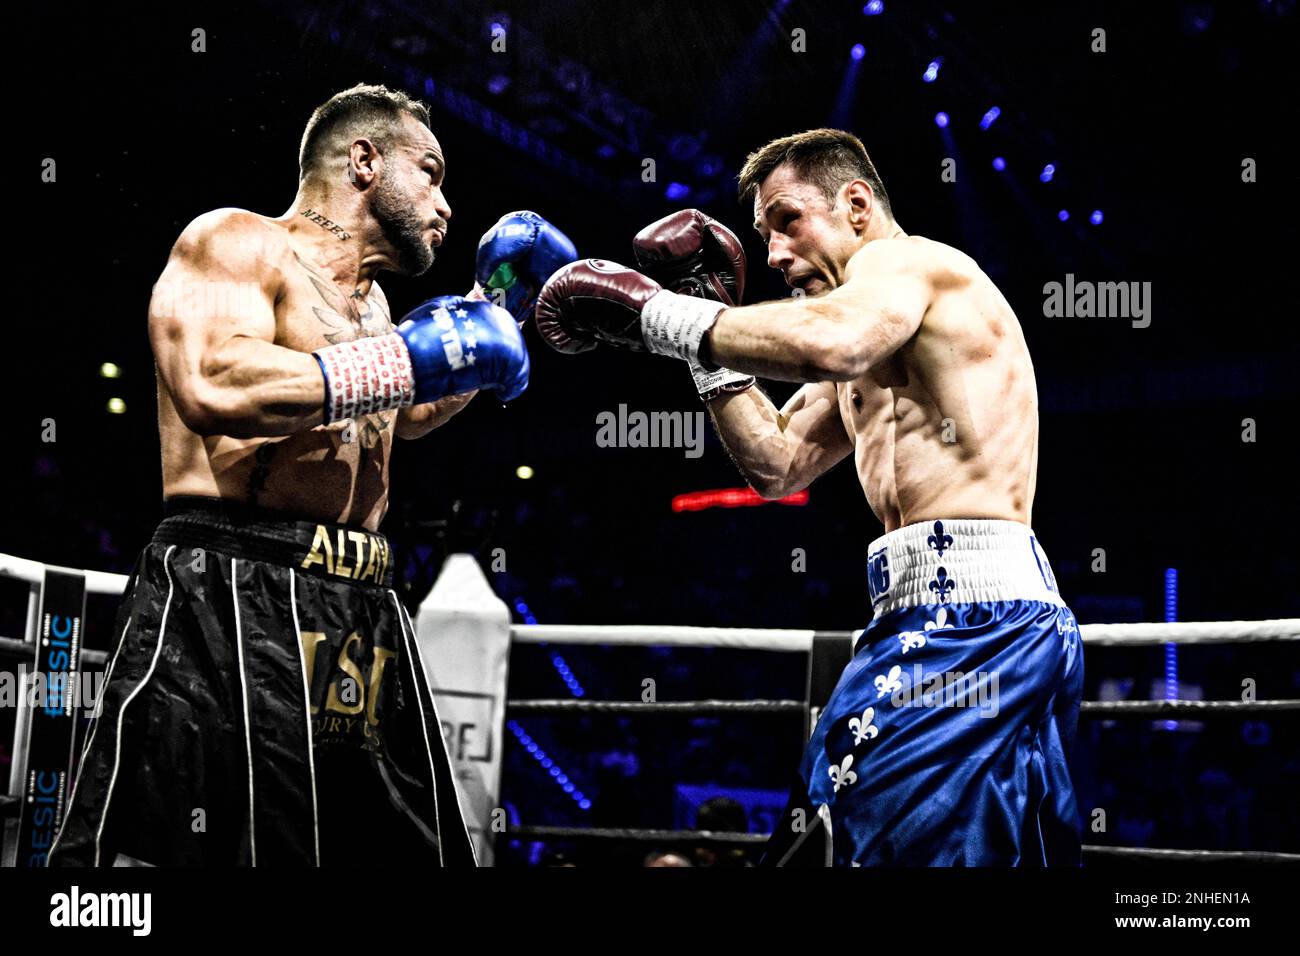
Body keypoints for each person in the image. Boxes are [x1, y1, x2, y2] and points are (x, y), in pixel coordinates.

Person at [49, 83, 575, 866]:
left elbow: (397, 410)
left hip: (359, 603)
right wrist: (412, 354)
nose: (447, 205)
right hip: (234, 585)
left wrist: (495, 307)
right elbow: (212, 382)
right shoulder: (237, 242)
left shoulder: (373, 308)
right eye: (429, 172)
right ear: (364, 161)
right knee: (176, 851)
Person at [533, 128, 1083, 866]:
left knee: (834, 830)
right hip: (945, 618)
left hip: (976, 624)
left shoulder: (908, 266)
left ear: (856, 204)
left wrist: (656, 315)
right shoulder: (873, 331)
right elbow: (776, 462)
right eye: (763, 236)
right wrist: (694, 333)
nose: (775, 256)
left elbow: (834, 343)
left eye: (789, 221)